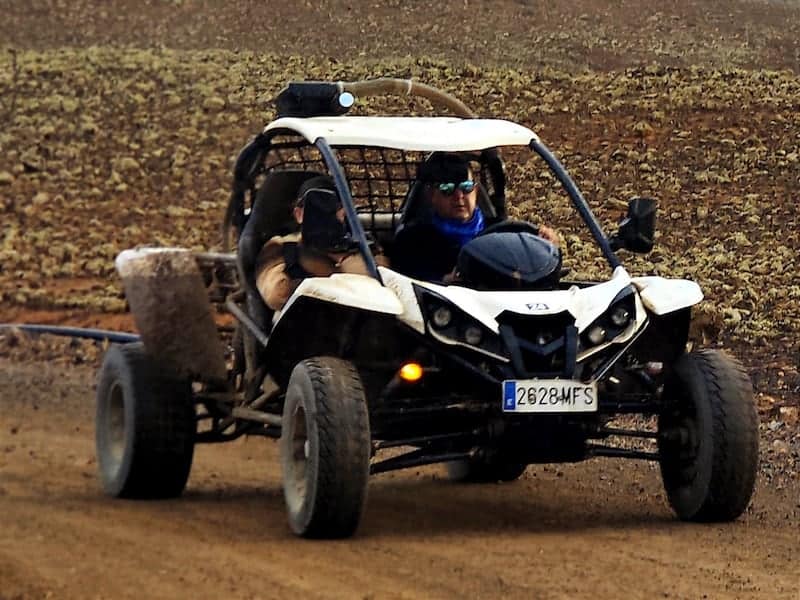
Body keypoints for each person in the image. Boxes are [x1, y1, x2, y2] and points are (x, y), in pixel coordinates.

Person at [391, 153, 560, 281]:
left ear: (476, 190)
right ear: (431, 196)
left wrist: (546, 247)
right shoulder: (412, 241)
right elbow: (410, 287)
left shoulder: (506, 232)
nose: (459, 197)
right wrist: (446, 281)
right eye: (447, 189)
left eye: (466, 187)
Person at [255, 175, 386, 311]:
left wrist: (343, 256)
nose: (333, 216)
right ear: (299, 214)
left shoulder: (362, 245)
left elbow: (385, 288)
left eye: (339, 209)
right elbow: (276, 295)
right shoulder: (281, 247)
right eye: (320, 210)